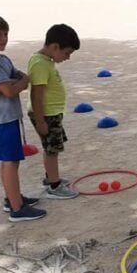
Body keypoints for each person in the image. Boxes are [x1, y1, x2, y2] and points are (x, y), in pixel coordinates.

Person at [0, 14, 47, 222]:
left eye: (5, 34)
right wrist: (17, 84)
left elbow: (21, 77)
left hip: (7, 117)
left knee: (10, 161)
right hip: (0, 120)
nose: (3, 38)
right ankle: (17, 208)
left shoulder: (1, 58)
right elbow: (10, 91)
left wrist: (20, 81)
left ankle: (12, 198)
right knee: (10, 162)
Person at [27, 24, 81, 199]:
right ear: (55, 47)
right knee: (52, 149)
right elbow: (37, 95)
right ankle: (54, 186)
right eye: (67, 53)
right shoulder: (40, 64)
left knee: (52, 148)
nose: (68, 58)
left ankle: (51, 178)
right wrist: (41, 120)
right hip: (46, 115)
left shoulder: (45, 62)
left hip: (51, 113)